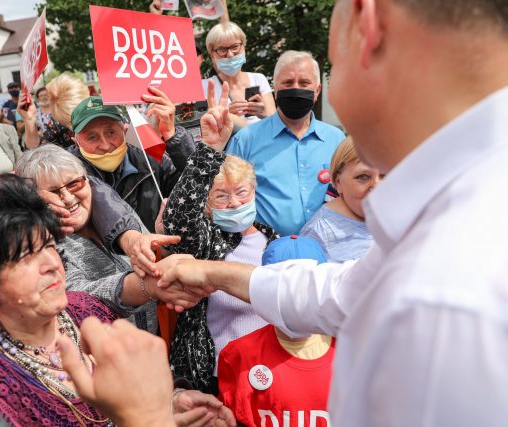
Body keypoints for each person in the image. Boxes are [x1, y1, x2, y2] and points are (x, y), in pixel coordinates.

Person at [154, 0, 508, 425]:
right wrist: (213, 273)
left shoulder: (440, 296)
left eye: (328, 67)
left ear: (366, 21)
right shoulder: (460, 208)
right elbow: (345, 291)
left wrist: (138, 412)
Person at [0, 174, 229, 427]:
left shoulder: (85, 310)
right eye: (23, 258)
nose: (50, 264)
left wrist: (170, 404)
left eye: (47, 245)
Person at [163, 80, 279, 393]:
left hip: (271, 375)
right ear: (208, 207)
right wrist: (210, 150)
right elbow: (179, 218)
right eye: (221, 197)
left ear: (253, 191)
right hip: (216, 379)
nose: (235, 203)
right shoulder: (205, 242)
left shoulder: (275, 239)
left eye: (241, 192)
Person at [14, 144, 187, 333]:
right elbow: (80, 297)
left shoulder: (117, 213)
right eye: (54, 193)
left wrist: (163, 246)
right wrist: (148, 287)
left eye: (74, 184)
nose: (69, 198)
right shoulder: (47, 247)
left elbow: (151, 261)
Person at [218, 236, 334, 427]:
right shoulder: (240, 355)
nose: (296, 302)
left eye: (306, 290)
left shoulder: (353, 354)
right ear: (264, 292)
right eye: (283, 291)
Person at [226, 50, 345, 236]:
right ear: (275, 89)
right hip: (266, 252)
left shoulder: (336, 140)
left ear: (317, 91)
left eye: (304, 83)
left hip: (328, 251)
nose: (296, 88)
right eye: (288, 83)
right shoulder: (246, 140)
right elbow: (227, 198)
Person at [70, 94, 195, 232]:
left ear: (124, 129)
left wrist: (174, 136)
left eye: (111, 132)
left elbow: (196, 186)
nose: (105, 145)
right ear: (76, 142)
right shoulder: (67, 178)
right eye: (92, 137)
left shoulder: (150, 160)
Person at [299, 137, 380, 262]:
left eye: (386, 175)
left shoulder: (403, 216)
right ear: (338, 182)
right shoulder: (317, 234)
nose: (377, 186)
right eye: (363, 177)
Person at [202, 22, 276, 128]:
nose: (230, 54)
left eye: (235, 47)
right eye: (222, 50)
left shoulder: (259, 79)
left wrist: (263, 113)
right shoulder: (205, 87)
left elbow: (274, 123)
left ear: (244, 48)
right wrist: (227, 117)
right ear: (212, 56)